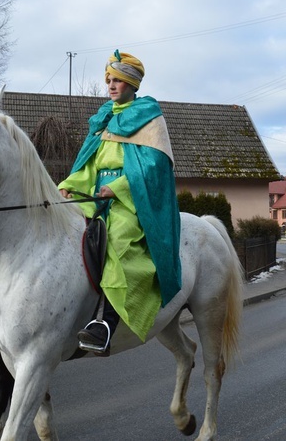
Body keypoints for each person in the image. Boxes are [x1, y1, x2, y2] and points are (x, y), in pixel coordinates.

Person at [58, 50, 181, 353]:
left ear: (131, 84)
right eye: (109, 80)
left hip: (130, 200)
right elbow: (88, 164)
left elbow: (153, 168)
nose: (111, 85)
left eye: (118, 81)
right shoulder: (104, 118)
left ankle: (105, 322)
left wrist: (119, 188)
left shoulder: (149, 116)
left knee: (116, 238)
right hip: (94, 196)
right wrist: (69, 185)